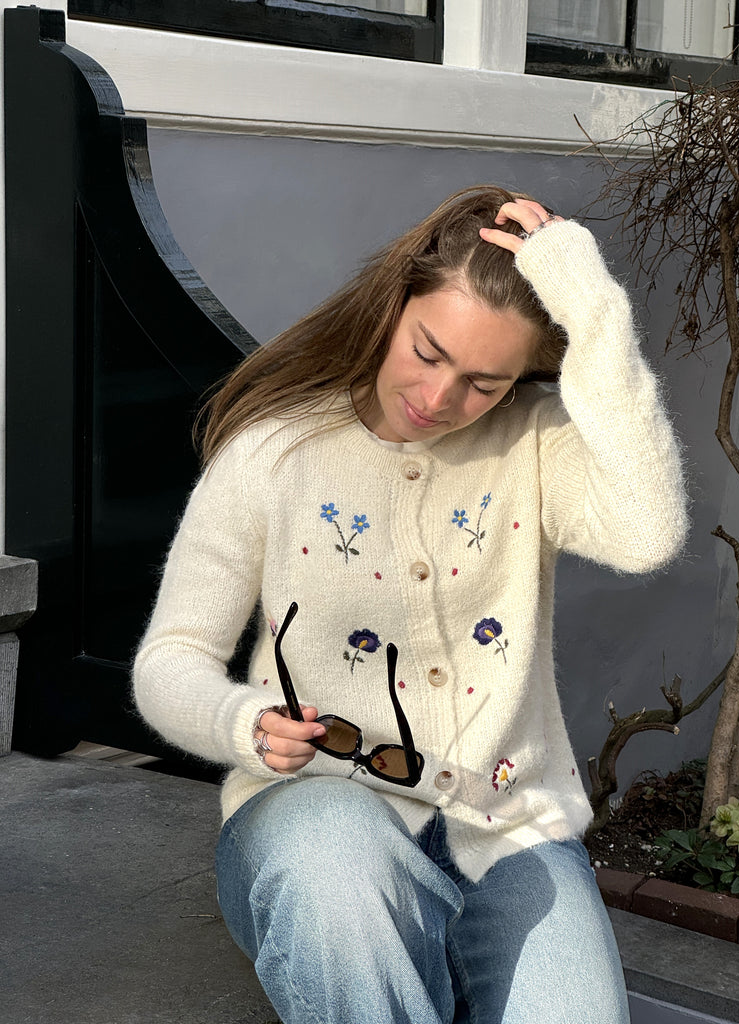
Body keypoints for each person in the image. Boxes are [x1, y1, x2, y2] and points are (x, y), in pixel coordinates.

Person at [133, 186, 687, 1024]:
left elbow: (648, 533)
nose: (438, 397)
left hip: (509, 831)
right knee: (335, 878)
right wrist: (242, 723)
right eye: (427, 351)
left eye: (483, 383)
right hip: (318, 825)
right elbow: (170, 658)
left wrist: (594, 311)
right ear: (393, 305)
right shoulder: (273, 451)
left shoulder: (535, 440)